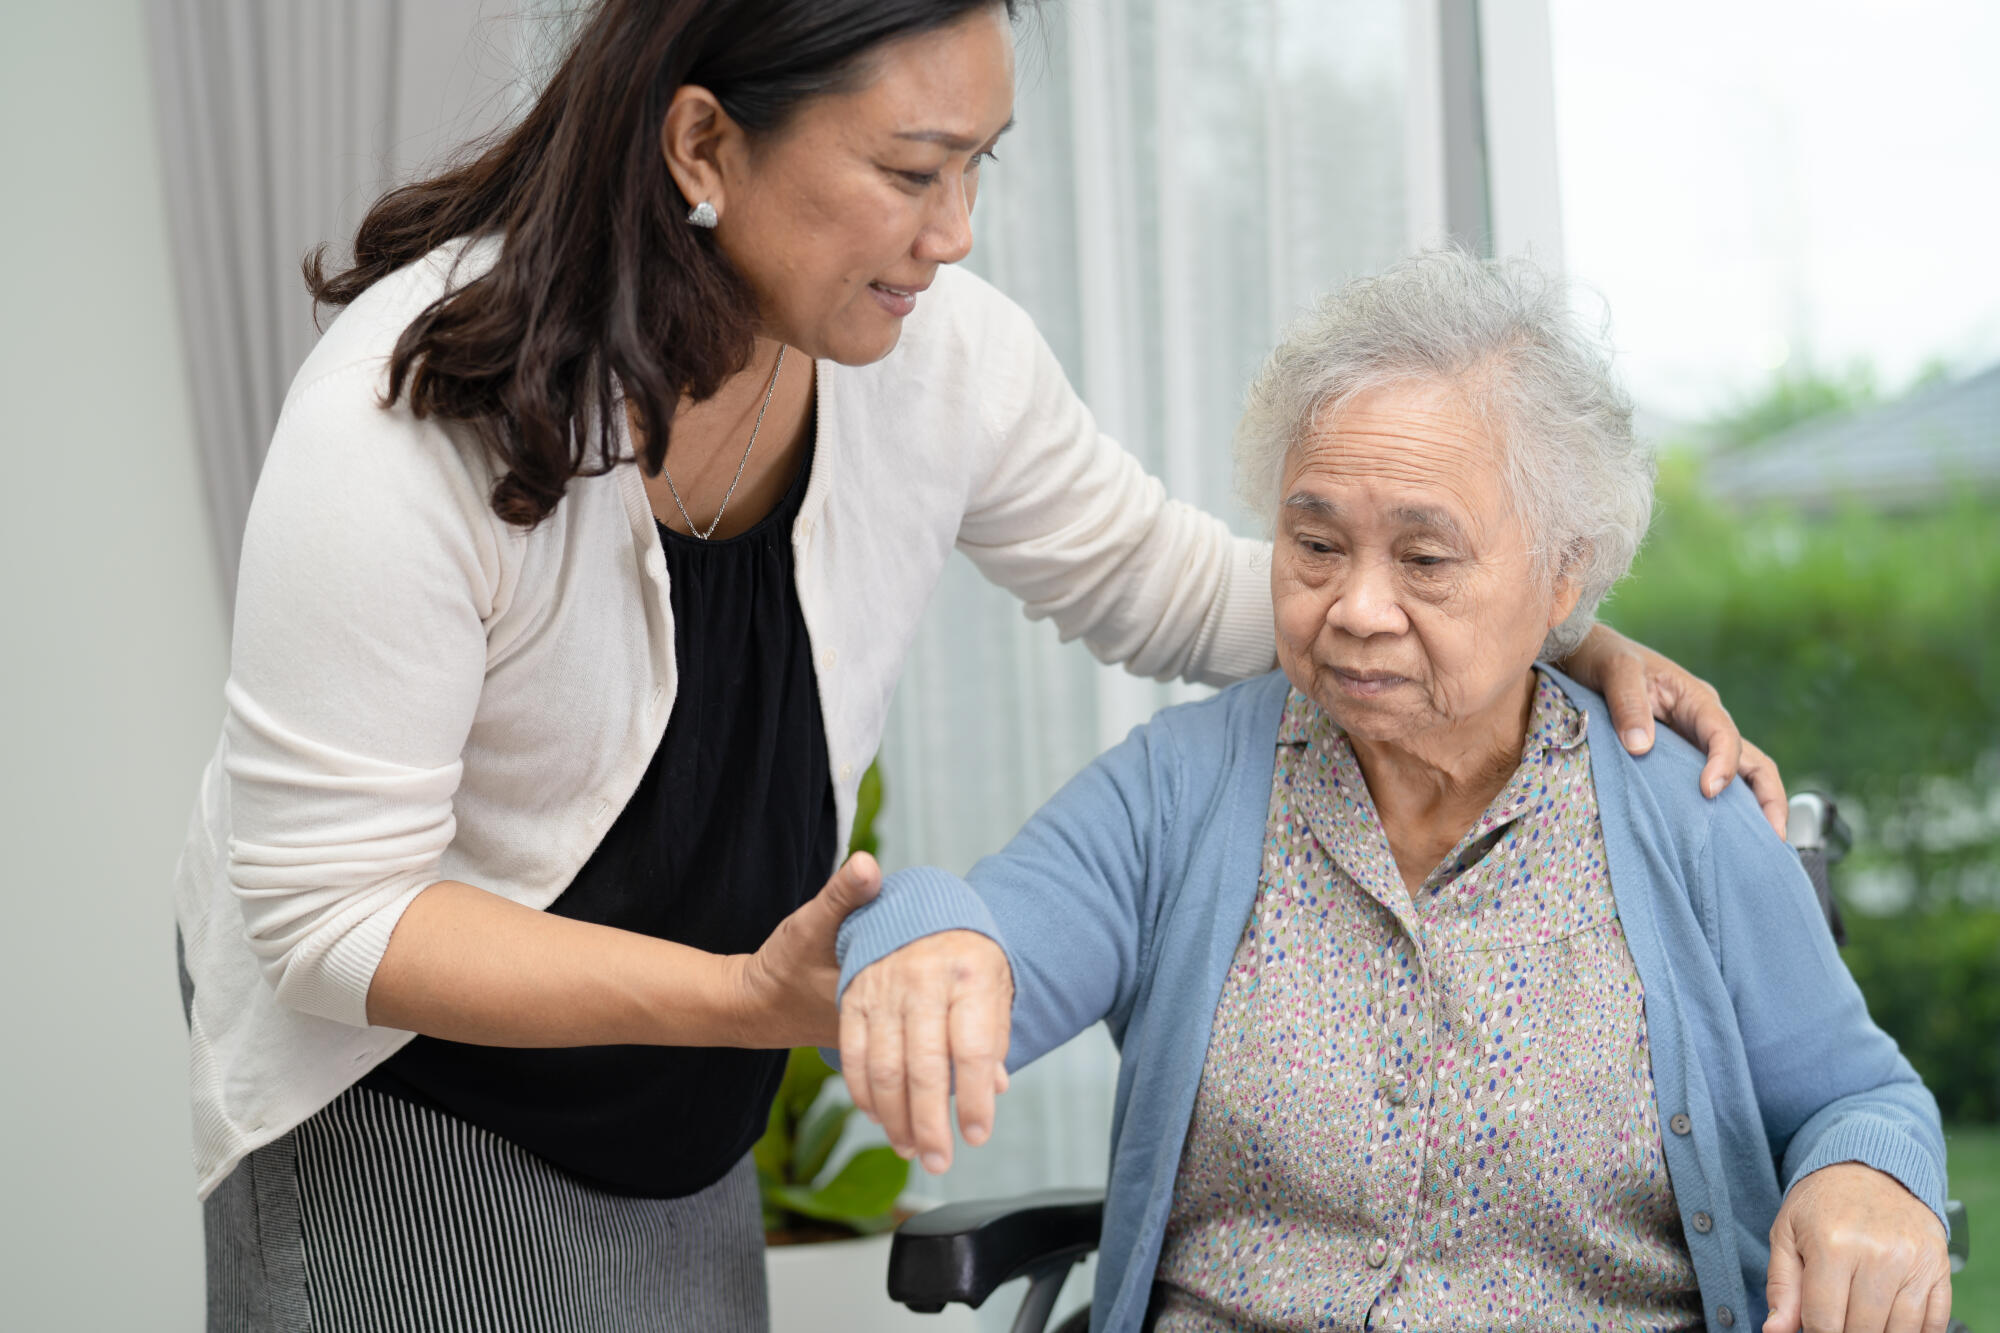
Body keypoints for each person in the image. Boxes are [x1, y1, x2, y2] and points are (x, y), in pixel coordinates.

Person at [175, 3, 1781, 1328]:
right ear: (704, 145)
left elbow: (1184, 590)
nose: (955, 234)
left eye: (979, 168)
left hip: (676, 1100)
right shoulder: (411, 412)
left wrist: (1546, 623)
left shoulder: (934, 360)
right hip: (417, 1092)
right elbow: (330, 912)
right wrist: (748, 998)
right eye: (911, 170)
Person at [836, 251, 1952, 1333]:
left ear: (1564, 573)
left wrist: (1867, 1173)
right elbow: (976, 946)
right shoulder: (1178, 791)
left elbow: (1855, 1093)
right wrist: (917, 931)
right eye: (1314, 542)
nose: (1356, 605)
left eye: (1424, 559)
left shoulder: (1682, 813)